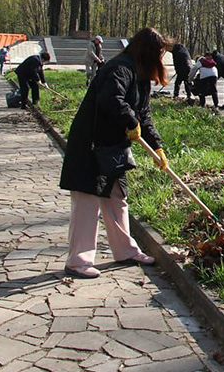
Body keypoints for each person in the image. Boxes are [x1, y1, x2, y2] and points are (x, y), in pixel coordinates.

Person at [60, 28, 170, 279]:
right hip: (91, 144)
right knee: (87, 202)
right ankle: (78, 261)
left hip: (112, 148)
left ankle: (126, 251)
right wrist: (131, 122)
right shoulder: (119, 68)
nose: (161, 58)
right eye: (159, 52)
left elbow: (144, 116)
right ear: (148, 51)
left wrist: (157, 146)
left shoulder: (140, 75)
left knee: (117, 198)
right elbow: (111, 98)